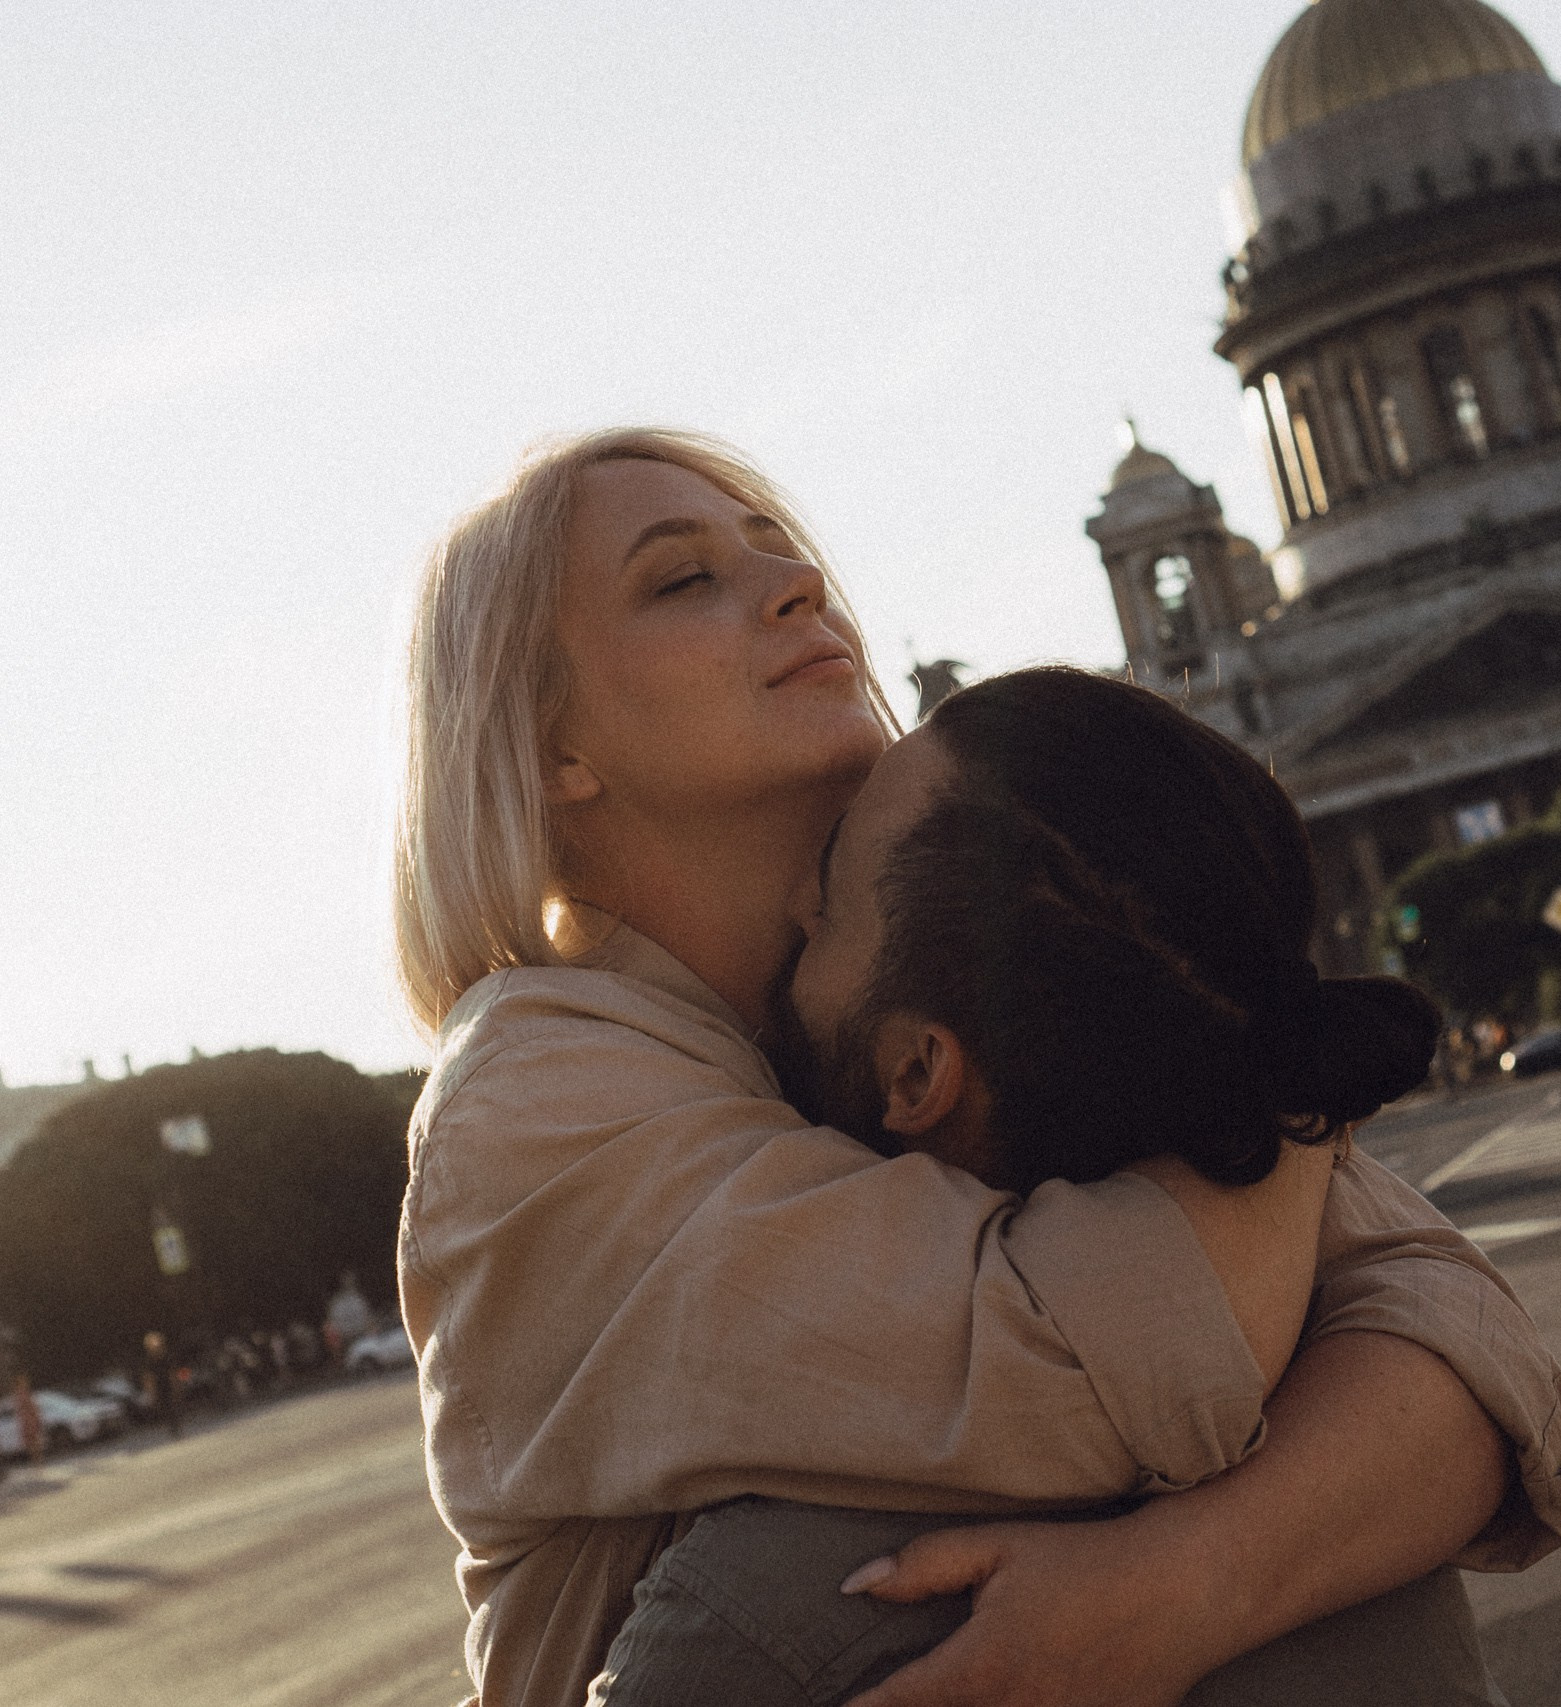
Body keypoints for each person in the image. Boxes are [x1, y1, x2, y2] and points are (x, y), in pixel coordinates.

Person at [395, 429, 1561, 1707]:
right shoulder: (536, 1099)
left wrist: (1179, 1588)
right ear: (549, 744)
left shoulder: (908, 988)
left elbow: (1477, 1361)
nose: (798, 587)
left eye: (781, 552)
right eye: (682, 580)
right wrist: (1263, 1036)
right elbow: (1099, 1372)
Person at [597, 666, 1514, 1705]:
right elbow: (1485, 1344)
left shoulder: (762, 1613)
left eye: (829, 904)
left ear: (916, 1073)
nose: (796, 903)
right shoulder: (1363, 1501)